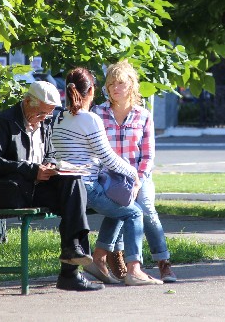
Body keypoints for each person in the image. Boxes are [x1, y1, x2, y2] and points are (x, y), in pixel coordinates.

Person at [0, 81, 102, 292]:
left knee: (74, 183)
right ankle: (70, 270)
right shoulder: (4, 122)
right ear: (27, 101)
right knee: (72, 202)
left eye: (48, 114)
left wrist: (50, 165)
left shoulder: (45, 122)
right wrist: (32, 170)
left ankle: (73, 251)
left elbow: (49, 153)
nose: (44, 118)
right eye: (41, 113)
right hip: (13, 190)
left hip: (36, 188)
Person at [52, 67, 163, 286]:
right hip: (87, 187)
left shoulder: (60, 118)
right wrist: (134, 174)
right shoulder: (90, 119)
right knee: (134, 212)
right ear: (91, 91)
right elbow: (108, 157)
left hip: (66, 188)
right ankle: (134, 270)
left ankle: (99, 258)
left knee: (120, 205)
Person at [91, 60, 177, 283]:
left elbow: (147, 156)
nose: (115, 88)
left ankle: (163, 262)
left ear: (131, 85)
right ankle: (115, 259)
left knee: (145, 207)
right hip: (108, 177)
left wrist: (137, 180)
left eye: (120, 83)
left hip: (138, 175)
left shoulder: (143, 115)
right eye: (111, 84)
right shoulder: (98, 113)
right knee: (123, 205)